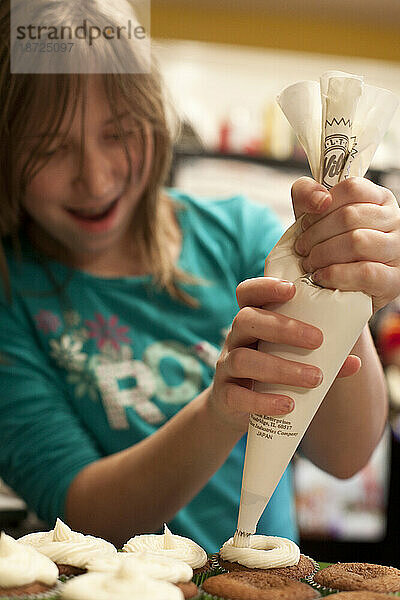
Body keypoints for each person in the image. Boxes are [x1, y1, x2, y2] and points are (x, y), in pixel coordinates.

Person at [0, 0, 398, 552]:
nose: (93, 179)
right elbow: (83, 513)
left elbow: (346, 455)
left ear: (154, 120)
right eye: (49, 150)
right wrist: (220, 407)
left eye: (117, 134)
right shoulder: (11, 295)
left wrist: (337, 287)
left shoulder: (238, 237)